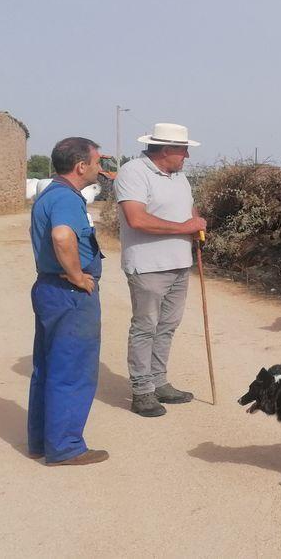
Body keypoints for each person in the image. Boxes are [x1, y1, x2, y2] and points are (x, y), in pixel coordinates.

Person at [114, 123, 207, 417]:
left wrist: (196, 224)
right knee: (145, 327)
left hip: (180, 263)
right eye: (183, 150)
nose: (187, 156)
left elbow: (188, 210)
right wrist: (184, 228)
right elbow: (136, 219)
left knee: (167, 326)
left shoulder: (179, 176)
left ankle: (159, 381)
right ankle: (142, 391)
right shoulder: (133, 172)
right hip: (148, 266)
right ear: (166, 150)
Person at [28, 137, 108, 465]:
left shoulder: (50, 193)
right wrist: (77, 276)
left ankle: (42, 441)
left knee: (47, 368)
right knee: (72, 370)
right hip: (70, 294)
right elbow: (62, 236)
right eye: (97, 162)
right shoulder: (66, 199)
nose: (101, 168)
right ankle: (65, 447)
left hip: (49, 290)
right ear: (81, 166)